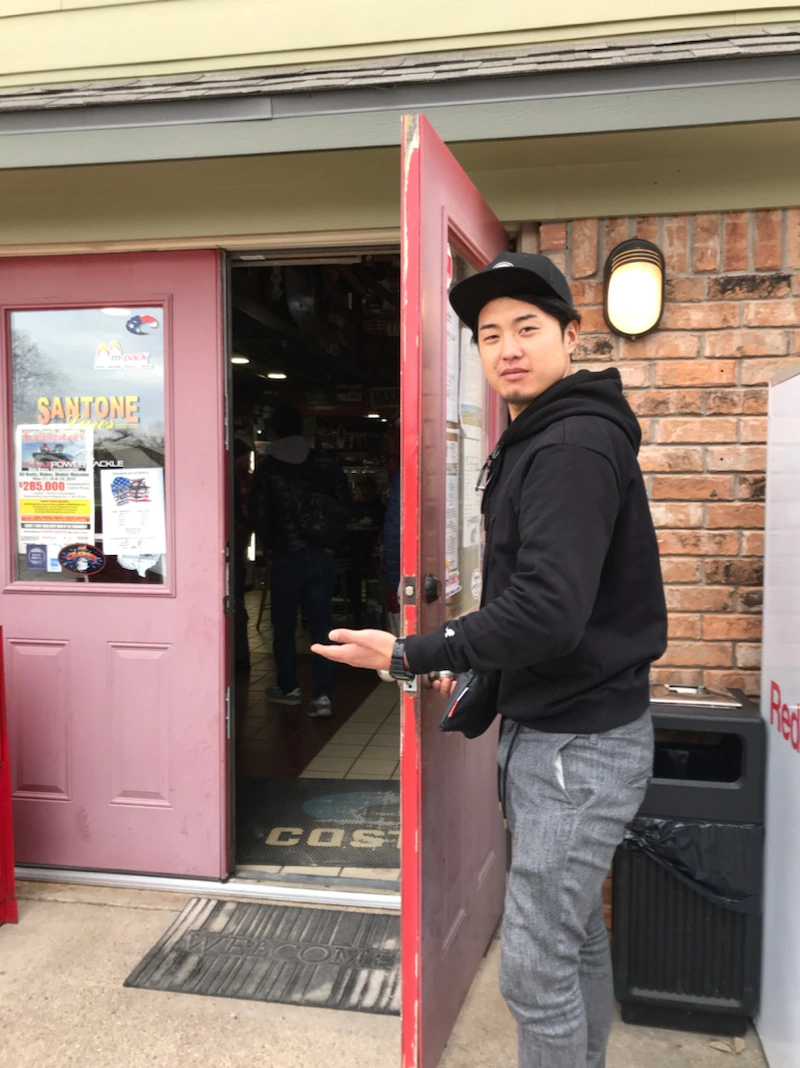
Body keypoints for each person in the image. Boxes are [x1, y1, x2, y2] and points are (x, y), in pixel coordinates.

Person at [311, 251, 667, 1068]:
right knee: (574, 939)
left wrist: (415, 649)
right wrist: (477, 662)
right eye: (489, 333)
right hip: (565, 733)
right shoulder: (543, 433)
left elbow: (548, 610)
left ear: (571, 335)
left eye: (527, 328)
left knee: (536, 971)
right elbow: (546, 600)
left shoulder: (570, 443)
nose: (507, 347)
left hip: (577, 751)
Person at [250, 405, 351, 719]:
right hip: (322, 555)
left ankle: (289, 688)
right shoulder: (327, 463)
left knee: (283, 625)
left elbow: (259, 515)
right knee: (322, 626)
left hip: (286, 557)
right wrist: (330, 540)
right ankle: (323, 697)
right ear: (303, 430)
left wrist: (272, 546)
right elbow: (345, 506)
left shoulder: (267, 469)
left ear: (274, 431)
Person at [232, 438, 252, 671]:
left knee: (236, 599)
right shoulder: (239, 480)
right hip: (236, 547)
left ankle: (239, 655)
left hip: (237, 547)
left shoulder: (239, 479)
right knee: (236, 600)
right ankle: (240, 655)